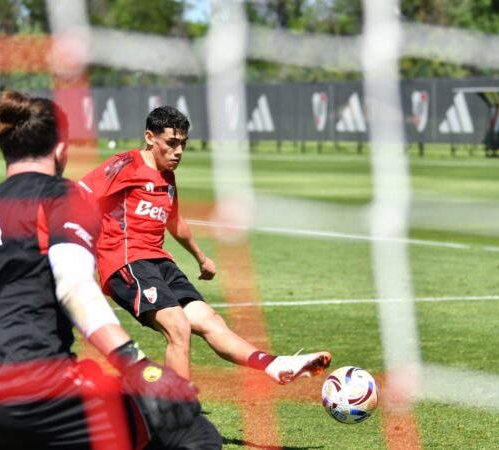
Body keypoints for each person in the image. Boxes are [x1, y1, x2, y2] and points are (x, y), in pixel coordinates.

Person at [0, 91, 221, 450]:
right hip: (47, 397)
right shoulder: (60, 196)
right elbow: (74, 285)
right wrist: (139, 366)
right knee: (190, 429)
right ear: (61, 147)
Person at [79, 106, 332, 384]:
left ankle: (273, 364)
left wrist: (200, 257)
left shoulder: (167, 176)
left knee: (209, 320)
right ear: (150, 137)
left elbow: (173, 220)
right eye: (171, 143)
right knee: (177, 326)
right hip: (127, 261)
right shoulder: (125, 164)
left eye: (183, 144)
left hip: (160, 262)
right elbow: (80, 195)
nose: (178, 152)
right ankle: (179, 413)